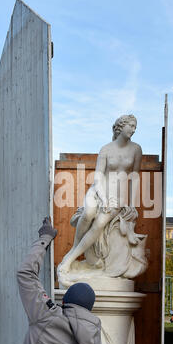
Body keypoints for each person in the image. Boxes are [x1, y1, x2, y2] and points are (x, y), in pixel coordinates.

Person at [10, 217, 103, 344]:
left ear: (64, 303)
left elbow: (26, 274)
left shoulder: (46, 316)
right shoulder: (95, 339)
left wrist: (44, 238)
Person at [58, 114, 142, 273]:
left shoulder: (136, 149)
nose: (133, 130)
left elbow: (135, 177)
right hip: (99, 191)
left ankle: (69, 259)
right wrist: (103, 199)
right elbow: (98, 176)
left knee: (98, 224)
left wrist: (132, 203)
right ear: (120, 126)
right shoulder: (106, 149)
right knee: (88, 213)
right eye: (131, 126)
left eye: (135, 127)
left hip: (117, 197)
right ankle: (73, 251)